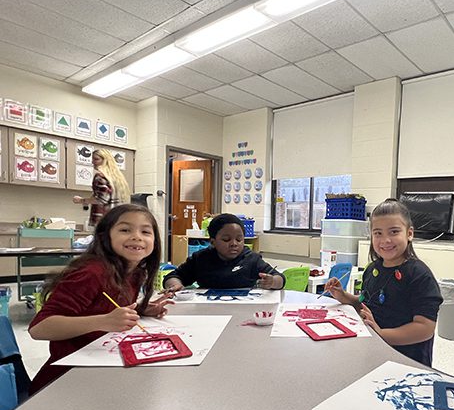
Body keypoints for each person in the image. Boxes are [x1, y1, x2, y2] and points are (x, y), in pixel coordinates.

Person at [28, 204, 171, 395]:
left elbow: (102, 307)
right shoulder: (92, 273)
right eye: (125, 229)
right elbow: (39, 328)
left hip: (104, 373)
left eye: (145, 231)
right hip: (66, 381)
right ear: (105, 236)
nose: (137, 236)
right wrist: (104, 321)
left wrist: (140, 310)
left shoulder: (134, 273)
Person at [325, 199, 443, 367]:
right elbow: (365, 304)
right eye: (378, 233)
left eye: (394, 232)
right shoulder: (372, 269)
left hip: (407, 362)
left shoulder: (420, 275)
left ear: (409, 233)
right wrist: (342, 295)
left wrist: (381, 334)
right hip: (373, 353)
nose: (385, 240)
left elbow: (425, 328)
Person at [162, 213, 284, 292]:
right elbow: (173, 276)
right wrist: (174, 285)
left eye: (239, 239)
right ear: (213, 242)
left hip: (244, 309)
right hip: (208, 310)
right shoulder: (201, 259)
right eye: (226, 239)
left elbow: (281, 279)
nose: (234, 243)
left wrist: (272, 281)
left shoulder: (251, 258)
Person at [72, 149, 131, 227]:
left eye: (96, 159)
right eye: (92, 159)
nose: (92, 162)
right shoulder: (118, 178)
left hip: (104, 221)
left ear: (105, 161)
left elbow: (101, 199)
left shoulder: (100, 176)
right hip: (118, 219)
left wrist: (81, 200)